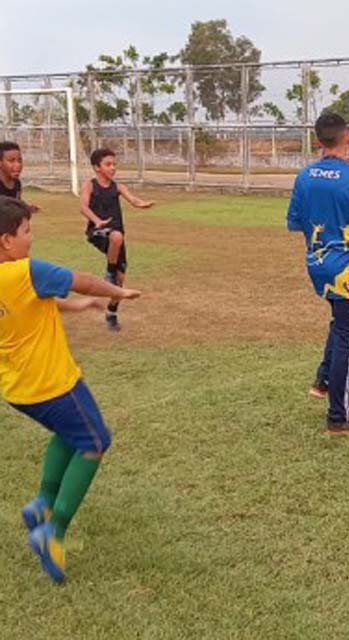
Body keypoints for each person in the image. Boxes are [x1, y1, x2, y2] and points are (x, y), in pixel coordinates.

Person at [0, 196, 141, 583]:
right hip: (52, 383)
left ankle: (42, 504)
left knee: (69, 433)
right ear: (6, 241)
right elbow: (82, 278)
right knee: (95, 440)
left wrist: (77, 308)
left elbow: (31, 302)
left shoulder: (10, 279)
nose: (31, 239)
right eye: (26, 232)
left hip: (18, 388)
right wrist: (118, 292)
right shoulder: (24, 272)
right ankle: (53, 531)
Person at [288, 113, 349, 433]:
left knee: (339, 325)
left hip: (317, 264)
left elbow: (296, 223)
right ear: (348, 138)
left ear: (318, 141)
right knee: (348, 337)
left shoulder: (304, 176)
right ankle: (339, 416)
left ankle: (323, 380)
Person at [79, 148, 155, 331]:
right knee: (115, 236)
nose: (113, 168)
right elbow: (83, 207)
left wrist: (143, 204)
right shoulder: (89, 185)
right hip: (98, 232)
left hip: (116, 239)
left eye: (114, 164)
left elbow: (134, 200)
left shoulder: (118, 187)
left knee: (120, 283)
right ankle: (109, 271)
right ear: (97, 167)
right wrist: (97, 221)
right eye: (108, 164)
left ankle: (112, 312)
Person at [0, 141, 39, 212]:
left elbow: (16, 203)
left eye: (20, 160)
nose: (18, 165)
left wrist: (26, 207)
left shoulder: (17, 183)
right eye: (11, 161)